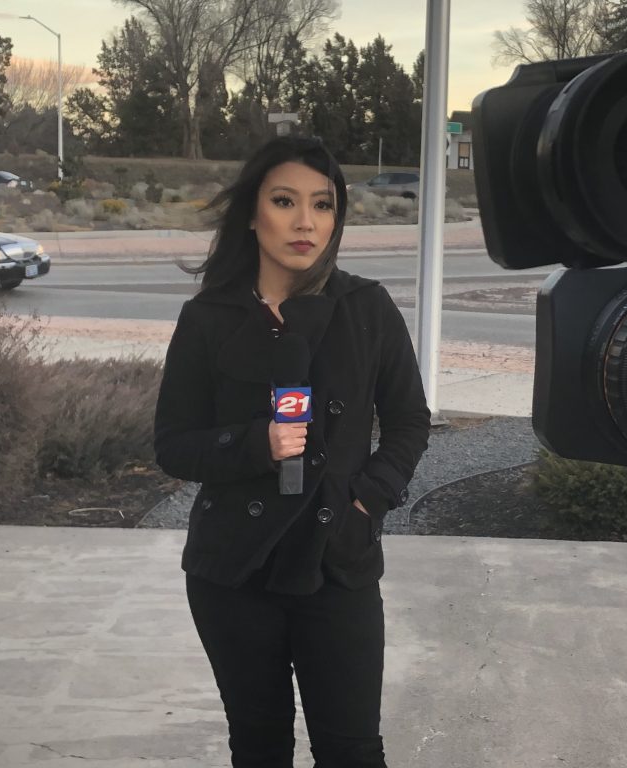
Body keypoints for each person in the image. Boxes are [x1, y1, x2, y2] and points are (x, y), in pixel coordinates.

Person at [154, 136, 430, 768]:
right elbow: (173, 445)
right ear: (253, 213)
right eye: (285, 201)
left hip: (338, 563)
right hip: (234, 573)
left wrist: (368, 499)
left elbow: (410, 421)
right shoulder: (208, 318)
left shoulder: (367, 309)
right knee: (259, 748)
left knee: (352, 749)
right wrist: (256, 443)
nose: (306, 223)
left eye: (323, 205)